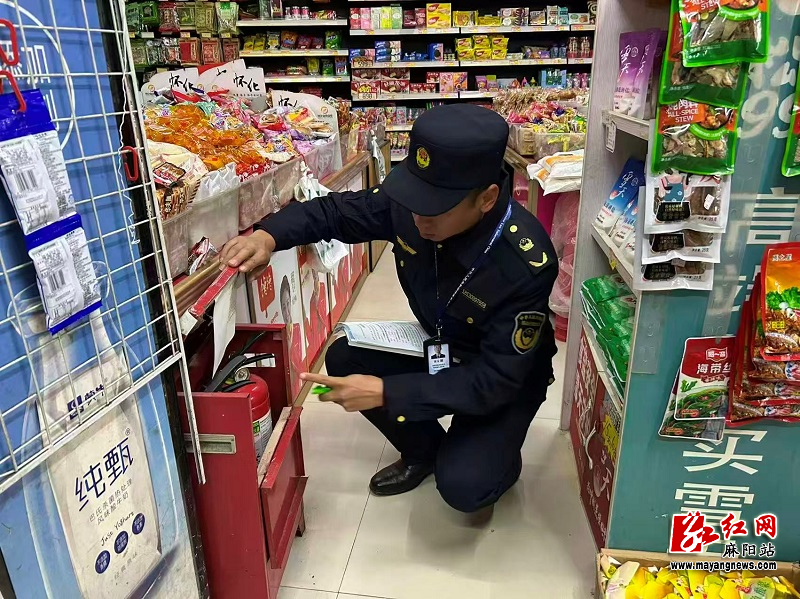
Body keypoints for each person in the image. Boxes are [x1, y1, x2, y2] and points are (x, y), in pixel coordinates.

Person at [220, 104, 558, 514]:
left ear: (486, 198)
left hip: (501, 374)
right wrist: (268, 236)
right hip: (443, 345)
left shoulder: (524, 262)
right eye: (415, 198)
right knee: (345, 357)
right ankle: (424, 451)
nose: (417, 217)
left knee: (465, 486)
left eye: (434, 207)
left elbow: (494, 381)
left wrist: (386, 392)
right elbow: (335, 212)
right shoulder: (412, 209)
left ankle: (498, 458)